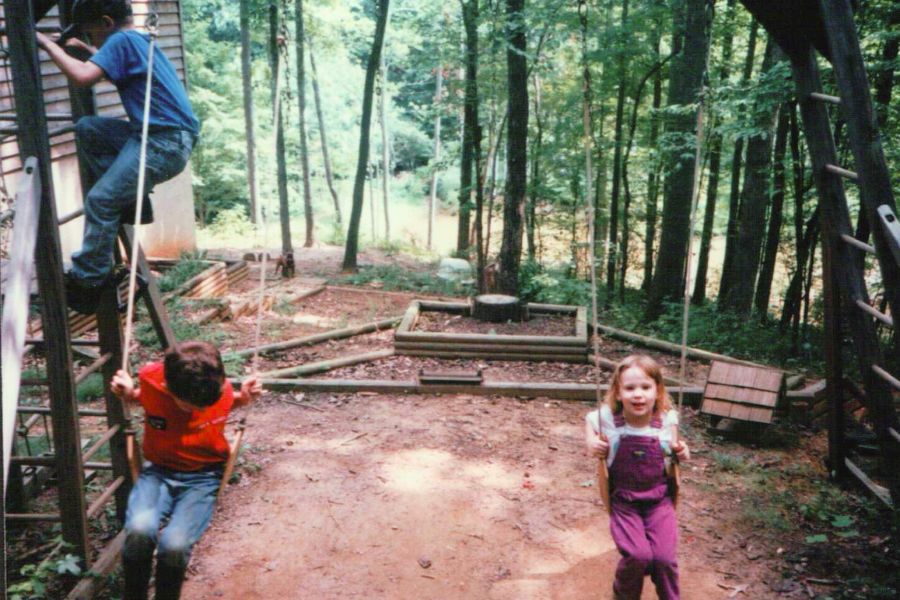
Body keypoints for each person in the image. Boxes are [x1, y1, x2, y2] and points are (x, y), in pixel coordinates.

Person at [36, 0, 200, 314]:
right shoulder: (136, 40)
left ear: (107, 22)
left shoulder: (122, 41)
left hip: (162, 142)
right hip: (160, 137)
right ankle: (127, 198)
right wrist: (84, 46)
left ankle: (88, 280)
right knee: (89, 128)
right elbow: (111, 72)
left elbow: (84, 77)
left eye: (91, 33)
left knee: (99, 201)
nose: (93, 41)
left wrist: (45, 43)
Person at [111, 341, 262, 600]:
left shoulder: (214, 389)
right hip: (158, 471)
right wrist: (127, 395)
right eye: (192, 406)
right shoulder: (150, 381)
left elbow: (223, 401)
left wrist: (244, 399)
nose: (200, 411)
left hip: (203, 477)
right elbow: (143, 398)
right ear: (168, 388)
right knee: (138, 531)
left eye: (204, 407)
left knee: (175, 545)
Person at [584, 354, 690, 600]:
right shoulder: (609, 420)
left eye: (645, 387)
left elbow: (676, 449)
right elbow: (589, 420)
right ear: (618, 393)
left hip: (659, 501)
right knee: (638, 556)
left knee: (663, 559)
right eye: (630, 388)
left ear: (658, 391)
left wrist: (682, 451)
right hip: (624, 502)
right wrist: (591, 442)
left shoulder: (666, 420)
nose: (638, 394)